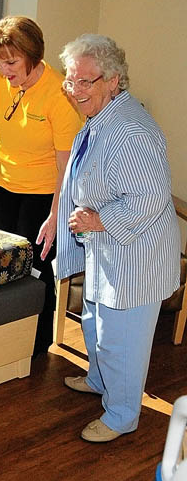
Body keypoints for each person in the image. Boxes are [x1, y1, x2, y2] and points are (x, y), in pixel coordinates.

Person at [57, 34, 180, 443]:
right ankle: (99, 379)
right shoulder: (101, 118)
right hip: (107, 250)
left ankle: (122, 415)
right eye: (70, 81)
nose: (75, 92)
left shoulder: (131, 131)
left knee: (121, 341)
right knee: (95, 323)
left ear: (113, 80)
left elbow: (150, 197)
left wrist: (98, 219)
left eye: (85, 82)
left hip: (134, 256)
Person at [0, 16, 83, 357]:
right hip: (6, 187)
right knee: (7, 262)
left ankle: (36, 343)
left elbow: (66, 165)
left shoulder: (58, 93)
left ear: (32, 55)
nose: (3, 70)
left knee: (36, 267)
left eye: (11, 62)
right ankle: (8, 332)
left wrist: (56, 215)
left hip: (43, 194)